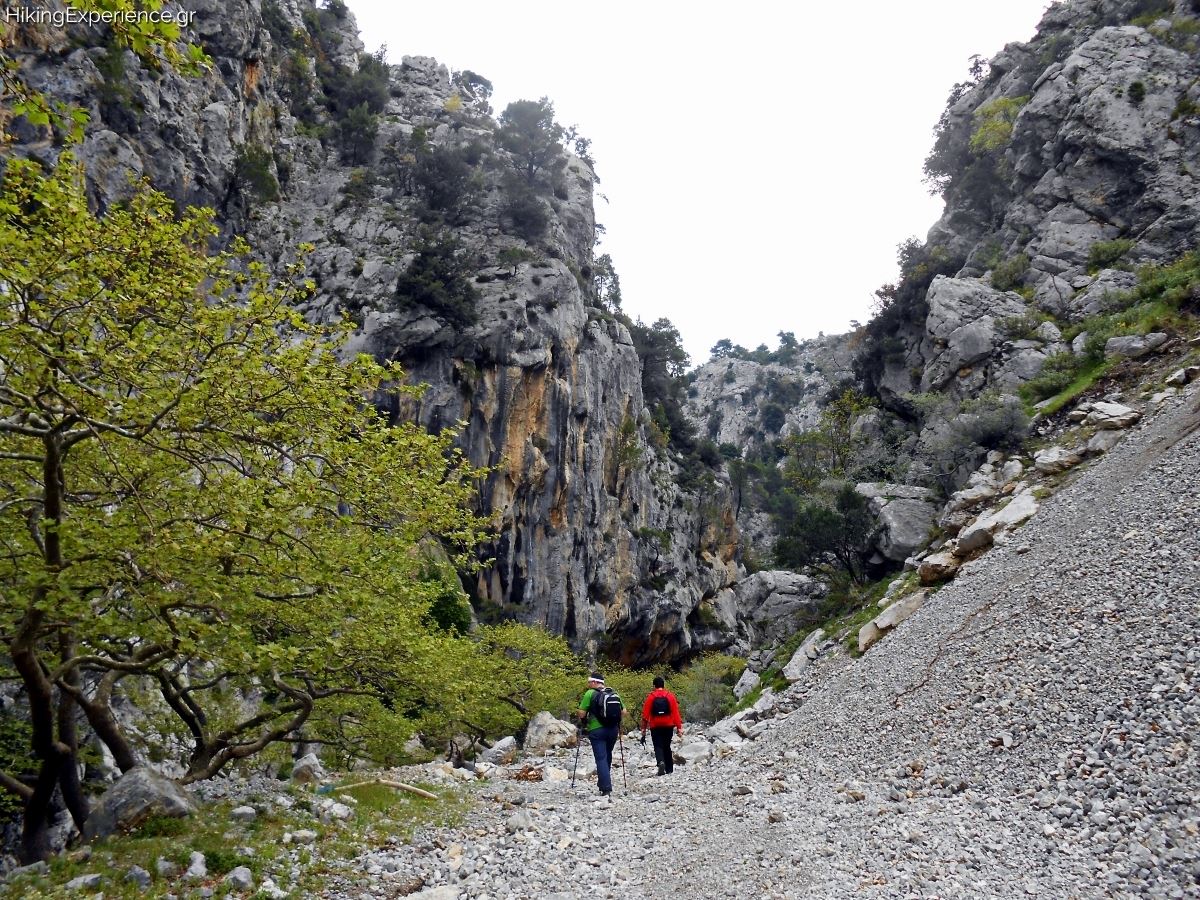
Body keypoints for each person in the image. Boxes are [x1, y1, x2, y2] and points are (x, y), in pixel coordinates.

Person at [576, 671, 621, 797]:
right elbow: (624, 711)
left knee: (601, 758)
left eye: (589, 682)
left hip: (597, 730)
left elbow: (582, 713)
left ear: (595, 682)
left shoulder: (590, 693)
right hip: (613, 730)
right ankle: (602, 782)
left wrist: (584, 720)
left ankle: (606, 788)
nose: (588, 684)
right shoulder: (613, 693)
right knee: (608, 754)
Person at [640, 675, 683, 776]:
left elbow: (645, 715)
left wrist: (643, 729)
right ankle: (669, 769)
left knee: (658, 745)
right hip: (668, 725)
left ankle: (660, 762)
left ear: (654, 686)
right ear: (663, 685)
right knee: (667, 746)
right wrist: (679, 727)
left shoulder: (651, 697)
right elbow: (676, 713)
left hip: (655, 725)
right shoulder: (670, 696)